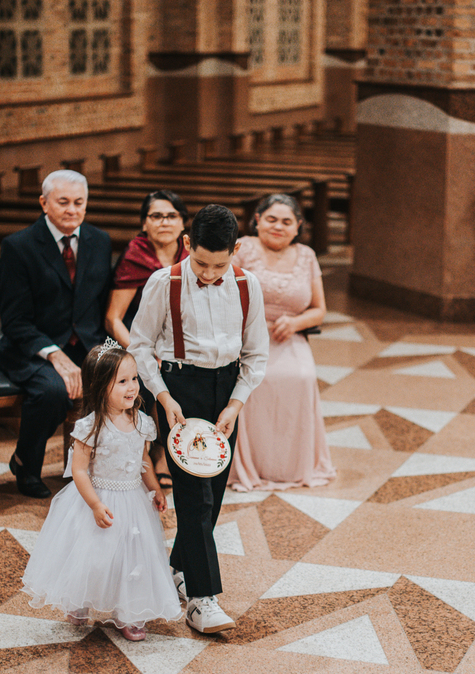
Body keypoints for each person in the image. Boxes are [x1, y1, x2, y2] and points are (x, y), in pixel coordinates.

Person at [128, 204, 269, 634]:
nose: (208, 274)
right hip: (180, 390)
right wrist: (163, 397)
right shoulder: (163, 282)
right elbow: (139, 344)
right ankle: (201, 599)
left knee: (215, 492)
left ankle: (177, 567)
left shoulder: (247, 285)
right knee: (195, 496)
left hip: (226, 392)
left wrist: (235, 404)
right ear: (187, 244)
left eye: (219, 265)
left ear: (235, 250)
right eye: (201, 263)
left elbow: (256, 353)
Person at [20, 342, 180, 641]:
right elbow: (80, 471)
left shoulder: (142, 422)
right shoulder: (91, 426)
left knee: (131, 561)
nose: (132, 387)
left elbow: (143, 460)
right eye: (122, 381)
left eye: (134, 378)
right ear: (100, 386)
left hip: (133, 501)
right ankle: (79, 600)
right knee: (92, 557)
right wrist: (94, 504)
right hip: (97, 499)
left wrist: (155, 489)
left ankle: (128, 612)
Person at [0, 169, 115, 499]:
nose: (72, 210)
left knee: (129, 379)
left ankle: (104, 468)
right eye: (63, 202)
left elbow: (101, 303)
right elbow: (14, 321)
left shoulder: (100, 241)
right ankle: (26, 462)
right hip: (33, 346)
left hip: (88, 343)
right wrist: (54, 353)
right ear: (44, 203)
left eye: (79, 202)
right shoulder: (19, 246)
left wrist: (110, 350)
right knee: (52, 391)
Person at [229, 193, 335, 491]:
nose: (278, 226)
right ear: (258, 220)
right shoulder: (242, 247)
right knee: (252, 382)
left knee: (302, 377)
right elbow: (221, 294)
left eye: (287, 221)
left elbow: (319, 309)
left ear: (298, 226)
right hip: (245, 339)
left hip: (288, 336)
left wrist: (296, 323)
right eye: (272, 219)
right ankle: (252, 464)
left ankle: (292, 465)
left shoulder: (307, 255)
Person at [105, 189, 190, 490]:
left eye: (171, 216)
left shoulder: (191, 256)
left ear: (183, 223)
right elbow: (113, 318)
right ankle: (155, 451)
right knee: (151, 372)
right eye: (156, 216)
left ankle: (182, 445)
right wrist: (139, 352)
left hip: (180, 339)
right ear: (144, 223)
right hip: (134, 337)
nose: (164, 222)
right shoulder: (136, 256)